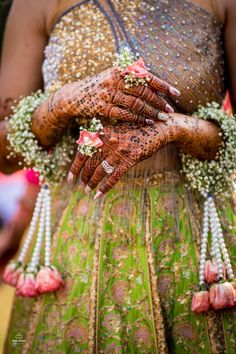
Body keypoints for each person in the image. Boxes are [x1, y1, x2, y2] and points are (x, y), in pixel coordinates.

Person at [0, 0, 236, 352]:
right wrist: (63, 102)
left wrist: (176, 129)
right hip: (74, 251)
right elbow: (5, 154)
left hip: (194, 247)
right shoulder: (37, 4)